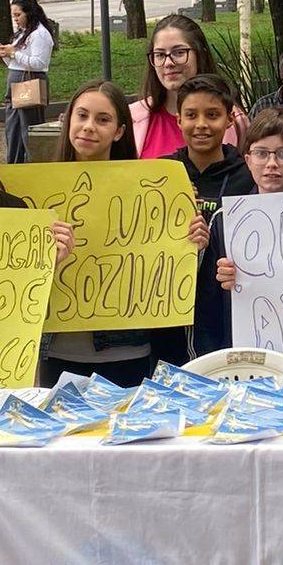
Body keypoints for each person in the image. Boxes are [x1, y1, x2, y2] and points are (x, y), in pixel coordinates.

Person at [43, 79, 205, 386]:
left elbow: (167, 273)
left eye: (103, 119)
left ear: (119, 131)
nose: (89, 127)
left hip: (128, 350)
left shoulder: (151, 191)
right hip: (57, 348)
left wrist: (191, 245)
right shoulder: (36, 193)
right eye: (82, 115)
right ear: (67, 120)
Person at [197, 108, 283, 360]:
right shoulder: (225, 220)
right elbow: (208, 303)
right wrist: (223, 280)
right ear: (247, 160)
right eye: (261, 153)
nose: (271, 164)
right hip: (245, 356)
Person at [130, 14, 245, 158]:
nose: (168, 63)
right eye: (160, 55)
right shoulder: (132, 118)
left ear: (200, 54)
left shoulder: (236, 121)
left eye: (179, 52)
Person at [167, 73, 250, 224]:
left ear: (230, 119)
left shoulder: (248, 176)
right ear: (179, 120)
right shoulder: (163, 174)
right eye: (191, 115)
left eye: (212, 115)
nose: (201, 124)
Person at [0, 0, 55, 165]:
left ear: (29, 13)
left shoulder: (39, 34)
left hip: (30, 82)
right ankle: (14, 163)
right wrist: (7, 54)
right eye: (13, 15)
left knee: (28, 128)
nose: (15, 19)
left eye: (18, 15)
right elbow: (15, 63)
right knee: (13, 128)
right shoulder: (22, 33)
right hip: (15, 81)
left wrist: (14, 53)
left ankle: (33, 164)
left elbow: (38, 63)